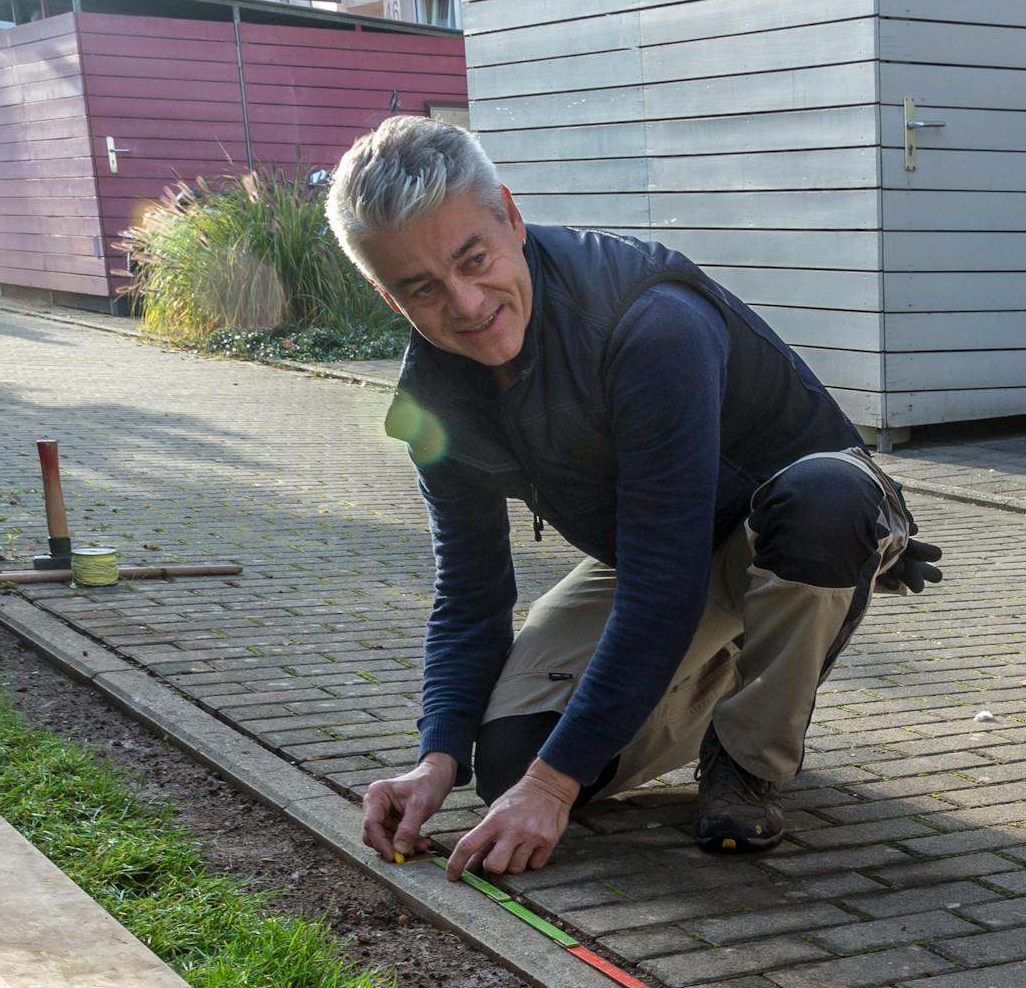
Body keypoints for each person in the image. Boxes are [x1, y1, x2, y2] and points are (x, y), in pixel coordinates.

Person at [321, 116, 941, 878]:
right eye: (422, 289)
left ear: (510, 216)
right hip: (656, 549)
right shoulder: (432, 401)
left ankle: (748, 756)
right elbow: (469, 596)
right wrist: (437, 758)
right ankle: (728, 682)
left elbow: (662, 584)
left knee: (824, 503)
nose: (467, 302)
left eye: (473, 259)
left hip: (792, 527)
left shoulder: (649, 324)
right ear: (389, 297)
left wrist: (554, 786)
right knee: (511, 764)